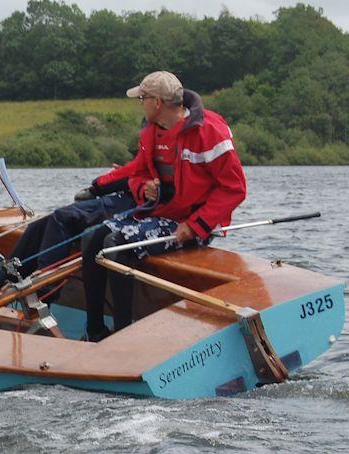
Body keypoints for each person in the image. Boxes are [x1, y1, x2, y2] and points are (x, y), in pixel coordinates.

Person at [81, 71, 247, 341]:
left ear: (157, 103)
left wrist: (196, 226)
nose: (140, 104)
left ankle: (123, 334)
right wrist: (140, 186)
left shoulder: (210, 131)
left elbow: (235, 188)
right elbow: (140, 173)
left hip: (190, 223)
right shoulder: (154, 132)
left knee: (115, 246)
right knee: (92, 239)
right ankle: (95, 329)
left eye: (143, 99)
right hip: (159, 214)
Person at [0, 158, 144, 297]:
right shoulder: (153, 134)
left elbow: (131, 174)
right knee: (40, 224)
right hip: (125, 197)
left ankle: (45, 284)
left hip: (132, 204)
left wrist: (97, 186)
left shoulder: (159, 132)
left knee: (62, 217)